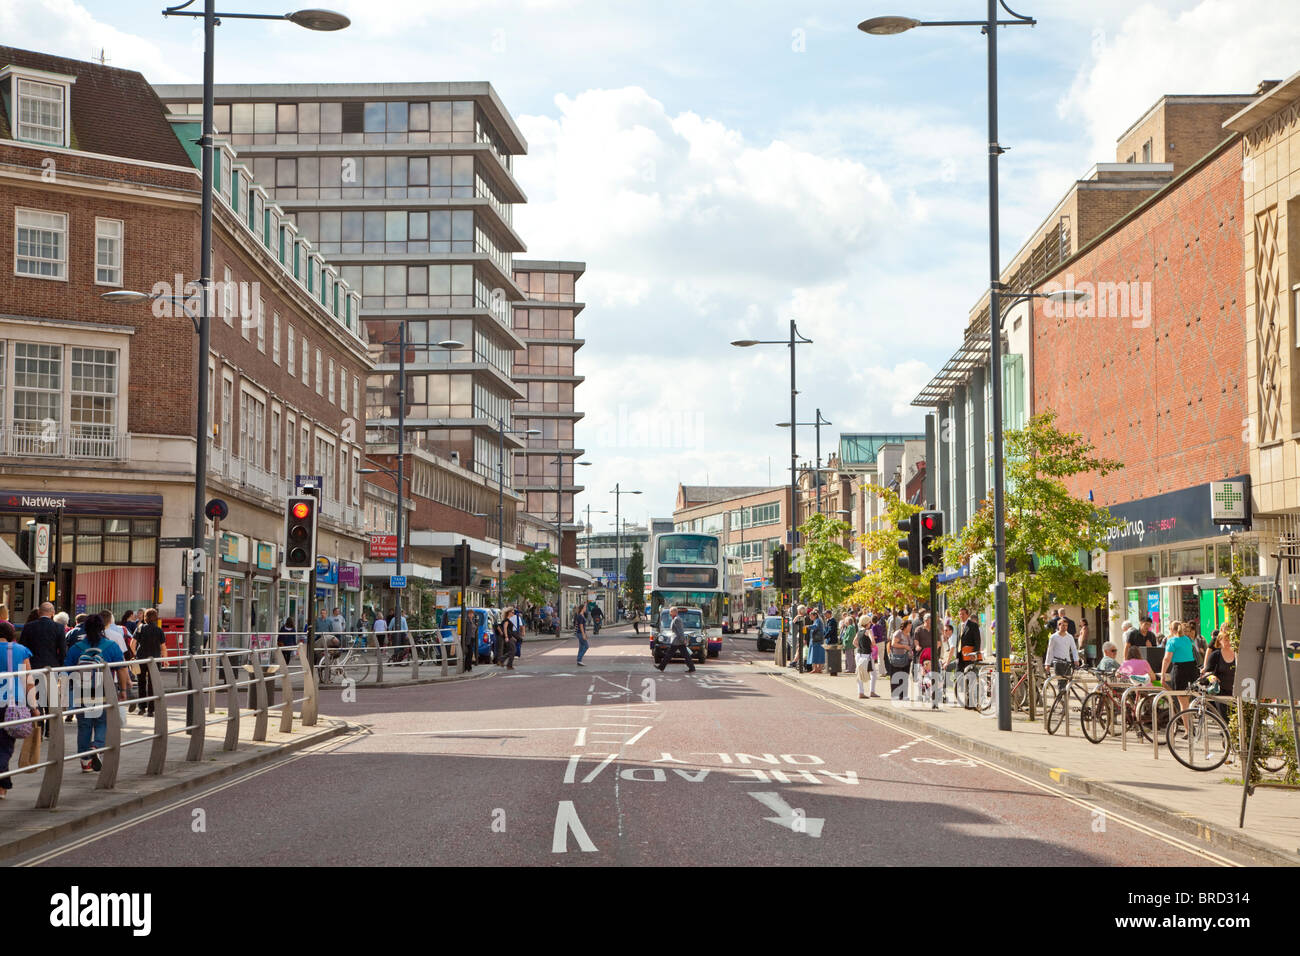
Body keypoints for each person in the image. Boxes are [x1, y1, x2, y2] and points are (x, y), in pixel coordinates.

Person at [64, 614, 131, 774]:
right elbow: (122, 669)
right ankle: (97, 746)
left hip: (82, 690)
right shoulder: (111, 646)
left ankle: (85, 761)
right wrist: (123, 690)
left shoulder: (76, 648)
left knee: (84, 726)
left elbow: (66, 671)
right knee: (103, 722)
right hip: (105, 690)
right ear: (103, 628)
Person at [0, 620, 36, 798]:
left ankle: (3, 783)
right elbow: (27, 679)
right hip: (14, 702)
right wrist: (34, 706)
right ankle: (3, 784)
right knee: (6, 745)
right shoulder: (21, 650)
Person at [134, 609, 166, 718]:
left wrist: (135, 653)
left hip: (141, 659)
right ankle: (151, 710)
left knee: (141, 682)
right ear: (156, 618)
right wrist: (165, 660)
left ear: (145, 617)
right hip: (154, 660)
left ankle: (142, 707)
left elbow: (132, 643)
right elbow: (163, 648)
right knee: (153, 684)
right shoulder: (159, 630)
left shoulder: (140, 628)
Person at [1201, 631, 1236, 719]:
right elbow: (1207, 672)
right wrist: (1212, 677)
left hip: (1235, 692)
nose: (1229, 642)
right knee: (1225, 719)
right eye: (1226, 640)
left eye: (1230, 640)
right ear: (1220, 641)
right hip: (1221, 692)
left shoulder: (1237, 654)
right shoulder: (1215, 655)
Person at [1044, 617, 1081, 697]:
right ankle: (1061, 701)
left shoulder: (1070, 637)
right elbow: (1049, 651)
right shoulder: (1053, 637)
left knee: (1068, 683)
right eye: (1063, 625)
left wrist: (1076, 660)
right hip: (1058, 662)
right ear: (1059, 625)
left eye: (1066, 626)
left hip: (1067, 662)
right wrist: (1047, 664)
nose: (1065, 627)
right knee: (1061, 682)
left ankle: (1066, 702)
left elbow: (1074, 649)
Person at [657, 605, 695, 673]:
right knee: (684, 655)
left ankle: (661, 667)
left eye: (670, 612)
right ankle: (692, 667)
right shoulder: (675, 619)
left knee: (670, 654)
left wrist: (683, 640)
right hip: (678, 640)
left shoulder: (677, 619)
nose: (670, 613)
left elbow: (680, 631)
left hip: (677, 640)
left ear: (674, 612)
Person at [886, 618, 913, 701]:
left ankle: (903, 695)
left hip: (906, 658)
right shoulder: (898, 633)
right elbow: (894, 644)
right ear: (904, 626)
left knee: (904, 676)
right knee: (896, 676)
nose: (910, 628)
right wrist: (904, 646)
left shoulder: (908, 635)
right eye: (909, 626)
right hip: (897, 658)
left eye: (911, 626)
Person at [854, 614, 878, 698]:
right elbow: (873, 642)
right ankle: (872, 691)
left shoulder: (859, 632)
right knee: (873, 674)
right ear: (867, 622)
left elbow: (854, 642)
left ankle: (860, 692)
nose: (870, 623)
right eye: (869, 621)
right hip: (867, 655)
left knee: (860, 674)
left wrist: (861, 647)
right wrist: (870, 646)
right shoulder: (869, 631)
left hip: (858, 654)